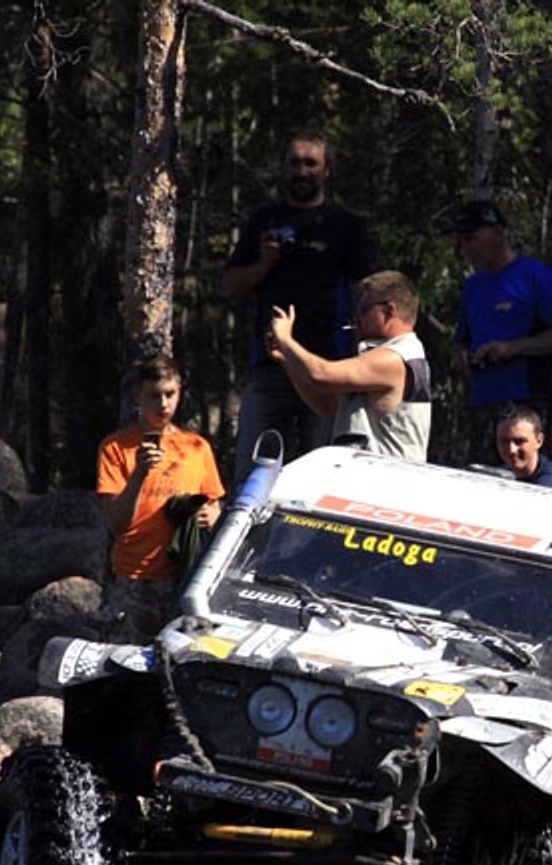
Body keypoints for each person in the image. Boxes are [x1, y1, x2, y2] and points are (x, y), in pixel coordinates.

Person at [222, 131, 372, 478]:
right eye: (294, 163)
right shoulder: (262, 221)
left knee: (323, 470)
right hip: (268, 365)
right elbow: (228, 284)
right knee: (251, 468)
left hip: (326, 367)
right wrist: (263, 264)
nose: (301, 172)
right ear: (283, 168)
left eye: (311, 163)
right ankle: (251, 532)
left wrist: (359, 357)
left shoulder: (346, 226)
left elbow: (364, 292)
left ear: (326, 170)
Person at [96, 355, 225, 641]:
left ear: (180, 391)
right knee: (125, 668)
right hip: (135, 577)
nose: (164, 404)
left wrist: (214, 516)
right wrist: (140, 474)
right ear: (136, 396)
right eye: (154, 396)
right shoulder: (116, 448)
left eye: (170, 394)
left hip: (188, 578)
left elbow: (215, 505)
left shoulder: (196, 448)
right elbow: (116, 523)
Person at [447, 200, 552, 465]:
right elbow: (461, 340)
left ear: (497, 232)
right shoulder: (473, 286)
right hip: (484, 401)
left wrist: (512, 348)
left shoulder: (534, 276)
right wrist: (463, 356)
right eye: (461, 241)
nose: (466, 247)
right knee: (482, 477)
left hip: (528, 399)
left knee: (529, 481)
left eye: (472, 238)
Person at [270, 269, 433, 462]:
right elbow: (328, 406)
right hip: (361, 477)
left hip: (387, 482)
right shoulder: (378, 358)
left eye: (363, 310)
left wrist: (285, 339)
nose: (356, 319)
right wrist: (287, 361)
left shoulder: (396, 358)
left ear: (389, 311)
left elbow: (321, 374)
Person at [495, 405, 552, 490]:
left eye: (519, 441)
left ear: (539, 441)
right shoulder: (499, 474)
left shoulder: (550, 485)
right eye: (504, 441)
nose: (511, 450)